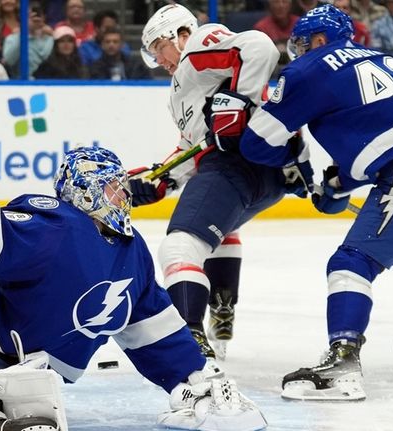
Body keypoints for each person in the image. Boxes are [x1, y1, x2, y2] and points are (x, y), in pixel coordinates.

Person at [0, 146, 268, 431]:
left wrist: (194, 376)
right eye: (113, 187)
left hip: (32, 365)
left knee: (18, 388)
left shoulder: (133, 253)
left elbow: (153, 331)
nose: (123, 195)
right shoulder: (57, 225)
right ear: (85, 189)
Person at [210, 5, 393, 401]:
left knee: (351, 263)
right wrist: (335, 186)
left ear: (318, 40)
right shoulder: (387, 61)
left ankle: (342, 364)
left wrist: (293, 166)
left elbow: (257, 143)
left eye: (302, 43)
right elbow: (382, 136)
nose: (297, 51)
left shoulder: (308, 69)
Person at [130, 4, 312, 360]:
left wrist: (237, 102)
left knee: (179, 248)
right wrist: (161, 179)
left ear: (178, 34)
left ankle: (190, 341)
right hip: (263, 178)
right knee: (218, 229)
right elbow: (190, 147)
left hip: (235, 165)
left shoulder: (197, 45)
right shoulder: (182, 90)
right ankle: (221, 304)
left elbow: (258, 45)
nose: (159, 60)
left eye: (158, 49)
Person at [2, 2, 53, 77]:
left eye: (38, 14)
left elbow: (51, 60)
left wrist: (53, 35)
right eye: (30, 15)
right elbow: (9, 60)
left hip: (47, 83)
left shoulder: (50, 39)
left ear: (44, 17)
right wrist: (24, 32)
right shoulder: (13, 38)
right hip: (21, 84)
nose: (35, 18)